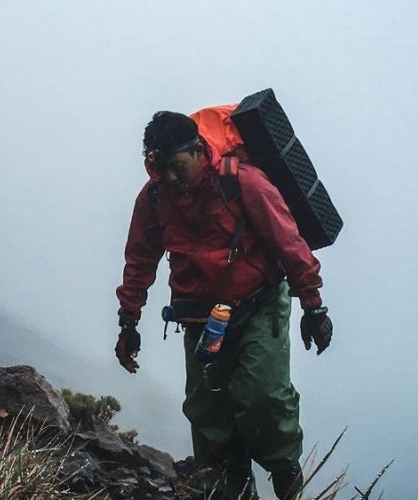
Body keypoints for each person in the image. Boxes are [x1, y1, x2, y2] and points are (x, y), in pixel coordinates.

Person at [114, 111, 333, 499]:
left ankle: (285, 468)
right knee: (207, 411)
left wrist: (313, 307)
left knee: (261, 394)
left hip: (257, 305)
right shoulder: (154, 199)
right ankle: (230, 488)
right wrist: (128, 321)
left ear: (198, 151)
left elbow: (289, 243)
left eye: (175, 166)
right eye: (158, 167)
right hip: (200, 317)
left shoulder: (242, 182)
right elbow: (140, 259)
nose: (168, 177)